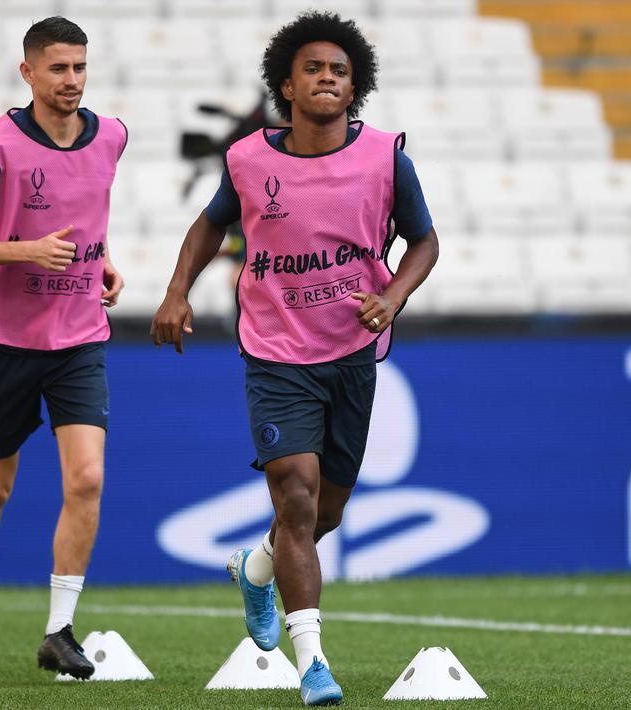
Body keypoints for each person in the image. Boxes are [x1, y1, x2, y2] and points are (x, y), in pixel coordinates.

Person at [151, 12, 438, 707]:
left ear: (354, 87)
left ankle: (255, 568)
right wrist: (174, 292)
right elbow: (209, 223)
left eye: (339, 71)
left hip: (352, 353)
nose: (327, 79)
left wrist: (392, 295)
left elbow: (424, 242)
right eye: (314, 68)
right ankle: (313, 663)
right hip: (276, 354)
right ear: (287, 82)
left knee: (323, 513)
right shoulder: (249, 159)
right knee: (296, 492)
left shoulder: (384, 157)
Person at [0, 16, 125, 680]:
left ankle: (58, 629)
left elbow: (86, 219)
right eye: (58, 68)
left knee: (88, 477)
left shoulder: (112, 136)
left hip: (78, 335)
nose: (70, 80)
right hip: (5, 339)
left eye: (78, 67)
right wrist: (26, 251)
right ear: (29, 73)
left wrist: (101, 261)